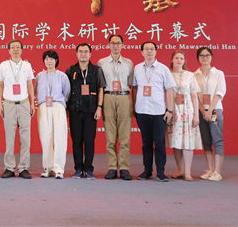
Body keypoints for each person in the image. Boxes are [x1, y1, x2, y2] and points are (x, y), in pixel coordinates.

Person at [132, 41, 175, 182]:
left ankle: (161, 172)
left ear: (156, 51)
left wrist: (170, 110)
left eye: (152, 49)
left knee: (159, 143)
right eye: (146, 49)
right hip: (141, 111)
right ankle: (147, 171)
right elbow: (135, 88)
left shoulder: (163, 69)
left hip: (158, 112)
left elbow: (169, 90)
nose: (149, 51)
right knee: (146, 143)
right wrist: (134, 107)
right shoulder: (137, 68)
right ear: (142, 52)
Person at [65, 43, 105, 180]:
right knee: (76, 141)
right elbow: (66, 91)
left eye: (86, 51)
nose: (83, 54)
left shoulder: (97, 70)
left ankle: (88, 169)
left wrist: (99, 107)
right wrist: (66, 108)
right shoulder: (70, 70)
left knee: (89, 141)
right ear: (76, 54)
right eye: (80, 51)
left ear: (90, 54)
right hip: (75, 111)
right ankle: (78, 168)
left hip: (91, 111)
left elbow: (100, 89)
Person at [0, 40, 35, 179]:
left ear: (22, 50)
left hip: (24, 104)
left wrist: (32, 104)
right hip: (9, 104)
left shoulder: (27, 65)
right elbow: (0, 85)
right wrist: (0, 104)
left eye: (18, 47)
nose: (15, 50)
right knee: (9, 137)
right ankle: (9, 167)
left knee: (25, 137)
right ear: (9, 50)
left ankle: (24, 167)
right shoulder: (3, 65)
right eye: (13, 47)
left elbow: (30, 85)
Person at [98, 35, 134, 181]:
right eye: (113, 43)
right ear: (108, 45)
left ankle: (124, 168)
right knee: (110, 136)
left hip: (124, 97)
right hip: (108, 97)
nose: (115, 46)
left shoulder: (129, 63)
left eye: (118, 43)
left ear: (122, 45)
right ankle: (112, 167)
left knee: (125, 137)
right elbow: (100, 85)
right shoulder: (102, 63)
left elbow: (130, 83)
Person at [167, 50, 202, 182]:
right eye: (176, 58)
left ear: (184, 61)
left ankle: (187, 172)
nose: (179, 60)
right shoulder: (167, 74)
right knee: (176, 141)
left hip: (187, 111)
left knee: (188, 141)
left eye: (181, 58)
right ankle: (180, 170)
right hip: (174, 110)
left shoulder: (189, 75)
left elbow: (194, 95)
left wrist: (196, 115)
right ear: (172, 60)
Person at [35, 50, 70, 179]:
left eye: (51, 59)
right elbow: (36, 91)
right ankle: (48, 168)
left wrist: (59, 103)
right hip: (44, 107)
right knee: (46, 138)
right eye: (46, 59)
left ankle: (59, 169)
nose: (49, 61)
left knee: (60, 138)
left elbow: (67, 93)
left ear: (56, 61)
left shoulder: (62, 76)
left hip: (58, 106)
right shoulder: (39, 76)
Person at [194, 47, 226, 181]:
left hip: (215, 110)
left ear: (211, 57)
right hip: (201, 112)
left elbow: (219, 93)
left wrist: (210, 110)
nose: (204, 58)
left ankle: (217, 172)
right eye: (202, 55)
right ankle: (211, 170)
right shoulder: (194, 75)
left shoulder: (218, 73)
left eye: (207, 55)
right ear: (198, 58)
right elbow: (195, 95)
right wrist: (203, 111)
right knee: (206, 141)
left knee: (217, 140)